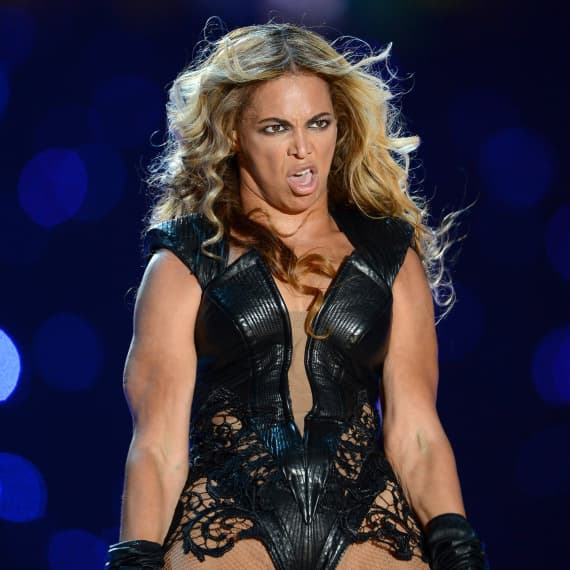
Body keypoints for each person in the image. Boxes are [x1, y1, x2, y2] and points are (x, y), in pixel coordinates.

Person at [106, 22, 487, 570]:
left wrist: (457, 546)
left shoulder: (389, 257)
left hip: (371, 530)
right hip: (228, 531)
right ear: (233, 133)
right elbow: (158, 443)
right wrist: (135, 558)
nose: (304, 149)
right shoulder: (183, 262)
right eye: (276, 127)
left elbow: (417, 432)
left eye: (318, 123)